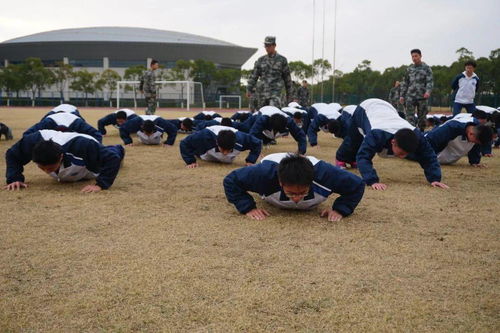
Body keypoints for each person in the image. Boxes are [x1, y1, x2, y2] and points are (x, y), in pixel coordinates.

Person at [337, 99, 448, 190]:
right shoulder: (376, 134)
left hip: (389, 108)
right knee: (354, 140)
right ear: (393, 142)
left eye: (406, 154)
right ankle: (342, 158)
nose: (403, 157)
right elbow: (363, 156)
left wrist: (435, 178)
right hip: (365, 108)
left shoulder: (417, 136)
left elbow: (428, 155)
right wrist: (372, 181)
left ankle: (351, 159)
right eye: (401, 153)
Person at [223, 153, 365, 222]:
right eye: (291, 194)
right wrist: (247, 207)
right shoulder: (263, 174)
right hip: (273, 158)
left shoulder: (326, 174)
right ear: (280, 182)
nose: (296, 199)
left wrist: (340, 209)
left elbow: (357, 185)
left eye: (303, 193)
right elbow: (231, 180)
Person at [5, 130, 124, 192]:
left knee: (111, 153)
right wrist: (14, 178)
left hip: (87, 163)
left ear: (61, 157)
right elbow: (12, 155)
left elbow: (112, 159)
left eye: (50, 168)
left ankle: (118, 148)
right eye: (42, 167)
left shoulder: (83, 145)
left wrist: (101, 185)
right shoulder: (30, 142)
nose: (46, 171)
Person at [424, 113, 493, 166]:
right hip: (424, 143)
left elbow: (477, 145)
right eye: (475, 141)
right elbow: (430, 141)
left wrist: (475, 161)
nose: (475, 144)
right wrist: (430, 159)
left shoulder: (478, 128)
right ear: (471, 134)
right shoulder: (451, 128)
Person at [180, 125, 262, 168]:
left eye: (229, 150)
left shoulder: (242, 139)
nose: (225, 153)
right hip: (204, 152)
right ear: (217, 142)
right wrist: (190, 161)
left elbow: (257, 143)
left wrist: (251, 160)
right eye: (223, 150)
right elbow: (184, 143)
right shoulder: (204, 135)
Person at [246, 36, 294, 109]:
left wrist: (290, 95)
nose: (267, 48)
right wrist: (249, 89)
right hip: (262, 93)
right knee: (262, 115)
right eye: (265, 46)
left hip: (276, 93)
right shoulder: (261, 60)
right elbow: (254, 76)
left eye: (269, 45)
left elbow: (287, 79)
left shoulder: (282, 60)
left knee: (273, 114)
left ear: (274, 45)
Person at [399, 49, 433, 130]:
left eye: (416, 56)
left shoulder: (426, 68)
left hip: (422, 96)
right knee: (409, 116)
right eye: (412, 56)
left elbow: (429, 81)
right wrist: (402, 96)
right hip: (410, 96)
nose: (414, 58)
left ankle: (420, 133)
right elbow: (405, 83)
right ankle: (412, 133)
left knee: (422, 118)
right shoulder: (409, 69)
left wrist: (428, 91)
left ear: (420, 56)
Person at [24, 112, 102, 143]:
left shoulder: (78, 123)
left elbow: (97, 135)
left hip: (73, 115)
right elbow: (27, 136)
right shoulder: (47, 122)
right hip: (53, 115)